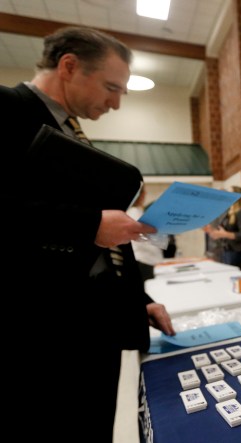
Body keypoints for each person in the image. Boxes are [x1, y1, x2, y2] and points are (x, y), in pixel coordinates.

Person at [1, 26, 174, 439]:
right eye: (111, 88)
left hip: (94, 325)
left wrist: (136, 300)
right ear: (69, 66)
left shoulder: (69, 133)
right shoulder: (7, 110)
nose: (115, 103)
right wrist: (91, 224)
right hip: (41, 340)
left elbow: (93, 250)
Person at [204, 187, 241, 269]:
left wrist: (224, 234)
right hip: (226, 250)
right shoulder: (230, 213)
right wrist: (214, 232)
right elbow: (222, 231)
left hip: (236, 250)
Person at [127, 188, 165, 281]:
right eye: (144, 192)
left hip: (145, 259)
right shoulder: (135, 213)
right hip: (143, 260)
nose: (146, 194)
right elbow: (146, 238)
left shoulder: (134, 212)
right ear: (140, 195)